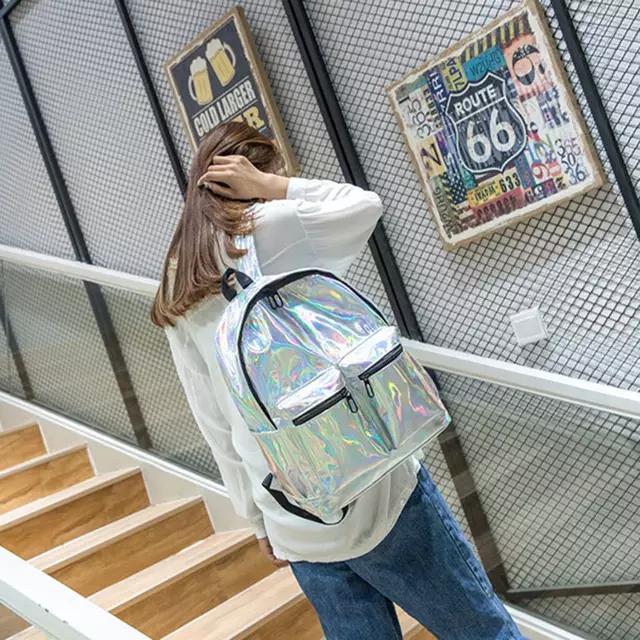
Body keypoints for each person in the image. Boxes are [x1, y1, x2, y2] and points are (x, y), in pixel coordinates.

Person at [151, 121, 524, 640]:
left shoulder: (178, 278)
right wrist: (272, 186)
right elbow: (363, 205)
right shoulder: (272, 224)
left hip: (290, 507)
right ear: (252, 169)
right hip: (372, 483)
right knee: (481, 631)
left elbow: (211, 416)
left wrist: (256, 519)